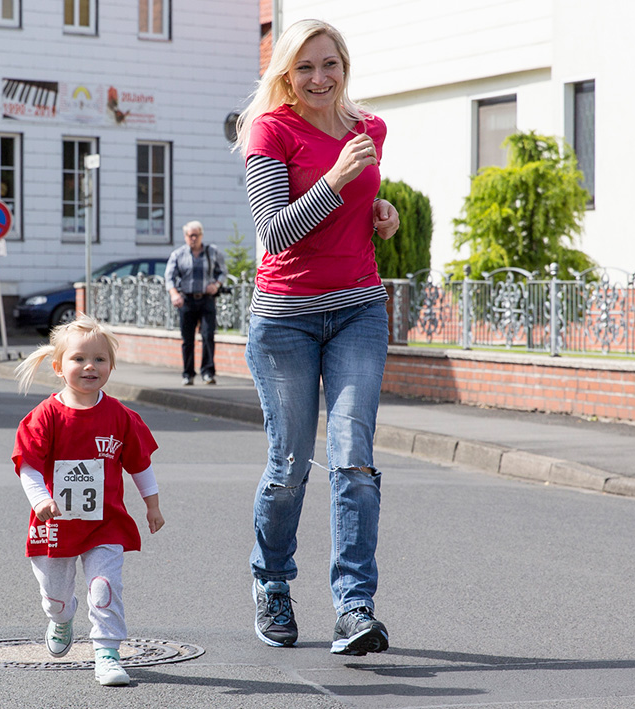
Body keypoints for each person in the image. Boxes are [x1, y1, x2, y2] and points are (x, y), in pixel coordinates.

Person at [234, 19, 401, 654]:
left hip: (359, 308)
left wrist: (380, 217)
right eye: (305, 68)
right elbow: (275, 230)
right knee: (290, 467)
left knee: (354, 461)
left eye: (329, 64)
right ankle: (272, 581)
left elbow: (359, 216)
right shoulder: (270, 131)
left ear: (345, 65)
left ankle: (355, 607)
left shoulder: (370, 129)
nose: (320, 78)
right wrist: (334, 180)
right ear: (285, 75)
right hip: (286, 318)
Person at [13, 315, 165, 687]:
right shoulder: (45, 417)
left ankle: (107, 653)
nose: (89, 367)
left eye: (99, 359)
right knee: (56, 597)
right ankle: (62, 618)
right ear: (59, 367)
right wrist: (41, 500)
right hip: (56, 525)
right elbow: (28, 466)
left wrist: (153, 504)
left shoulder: (121, 417)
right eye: (79, 359)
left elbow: (139, 464)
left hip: (104, 523)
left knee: (103, 586)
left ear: (111, 366)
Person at [164, 221, 228, 385]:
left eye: (196, 235)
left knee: (208, 335)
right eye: (190, 235)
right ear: (185, 237)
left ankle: (208, 372)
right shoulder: (178, 255)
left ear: (201, 235)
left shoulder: (212, 252)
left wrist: (216, 285)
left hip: (206, 299)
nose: (193, 238)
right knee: (187, 339)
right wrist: (174, 294)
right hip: (187, 300)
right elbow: (169, 277)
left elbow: (222, 272)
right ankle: (188, 373)